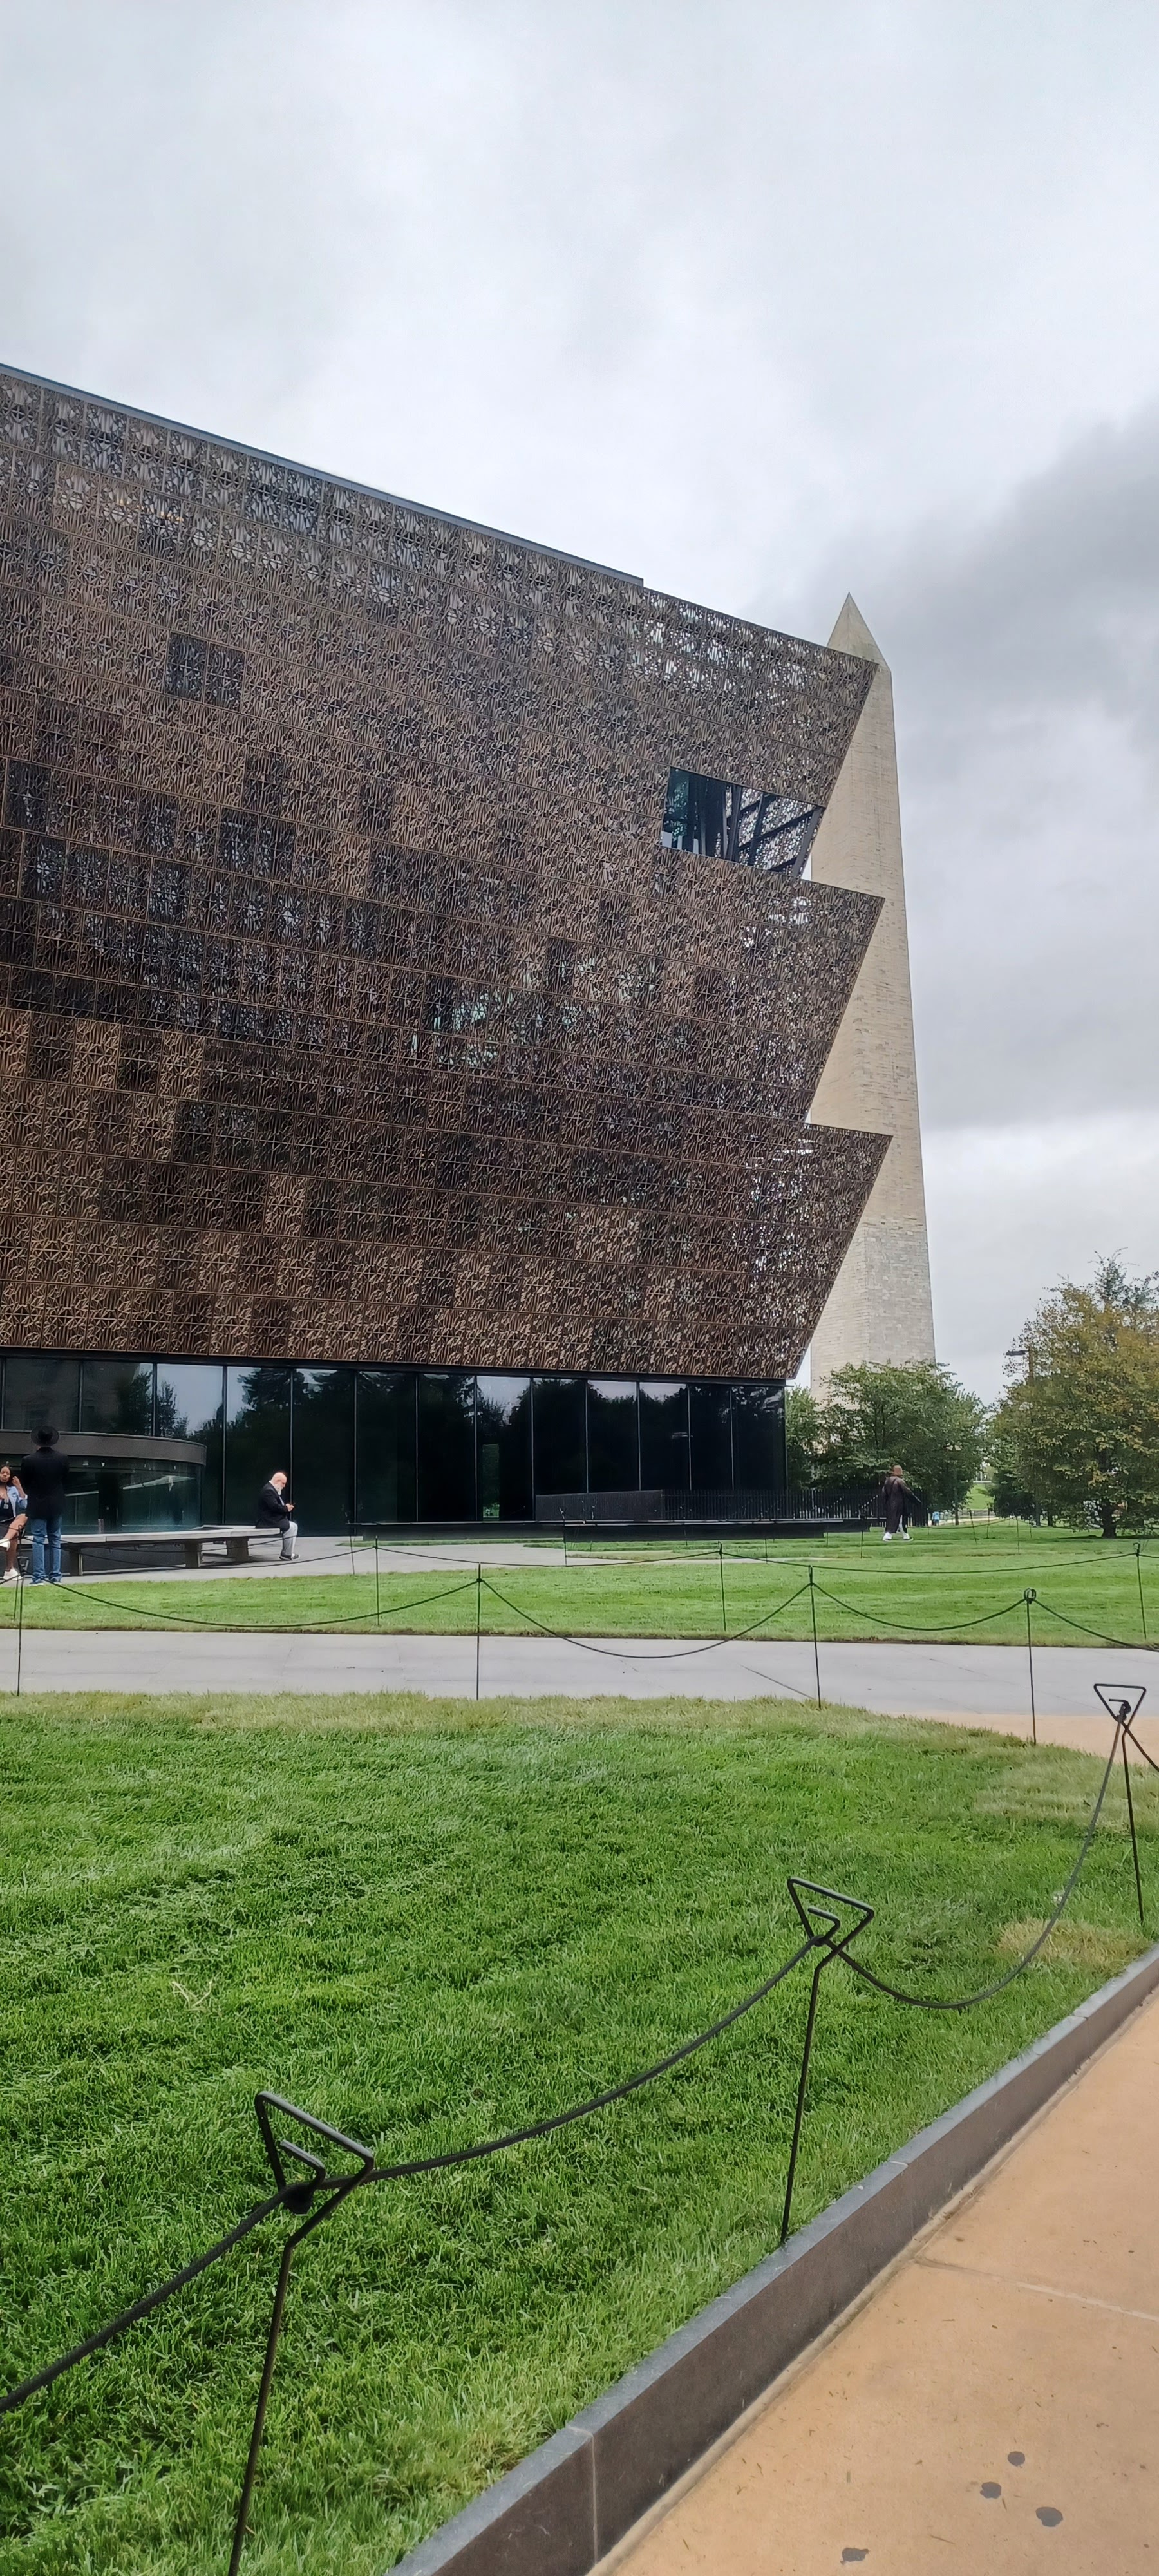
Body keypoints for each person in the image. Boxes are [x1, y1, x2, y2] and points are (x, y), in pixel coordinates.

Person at [20, 1428, 68, 1583]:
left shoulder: (28, 1460)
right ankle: (56, 1575)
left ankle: (38, 1576)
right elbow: (66, 1480)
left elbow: (25, 1483)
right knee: (55, 1538)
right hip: (56, 1503)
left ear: (37, 1441)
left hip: (37, 1503)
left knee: (38, 1539)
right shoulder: (62, 1458)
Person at [256, 1468, 297, 1560]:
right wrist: (286, 1508)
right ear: (278, 1481)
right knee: (291, 1527)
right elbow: (274, 1507)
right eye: (283, 1483)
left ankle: (288, 1552)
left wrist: (285, 1507)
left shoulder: (271, 1489)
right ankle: (286, 1554)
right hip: (267, 1521)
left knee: (293, 1526)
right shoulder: (269, 1491)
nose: (284, 1486)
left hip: (270, 1519)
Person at [0, 1463, 28, 1580]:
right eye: (2, 1473)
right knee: (14, 1536)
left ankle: (5, 1540)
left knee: (24, 1516)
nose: (5, 1475)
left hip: (10, 1522)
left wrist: (19, 1487)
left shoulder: (13, 1490)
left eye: (7, 1473)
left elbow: (24, 1505)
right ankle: (9, 1569)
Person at [880, 1463, 914, 1543]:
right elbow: (908, 1492)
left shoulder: (888, 1481)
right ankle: (888, 1536)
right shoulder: (900, 1481)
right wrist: (916, 1501)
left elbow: (884, 1493)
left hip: (890, 1504)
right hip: (899, 1505)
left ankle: (905, 1536)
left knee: (894, 1521)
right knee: (898, 1521)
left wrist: (886, 1503)